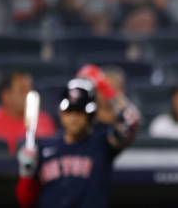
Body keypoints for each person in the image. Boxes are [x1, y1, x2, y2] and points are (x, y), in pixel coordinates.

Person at [15, 69, 141, 208]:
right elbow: (25, 201)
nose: (74, 118)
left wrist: (104, 87)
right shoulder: (43, 147)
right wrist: (26, 175)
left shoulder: (102, 142)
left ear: (90, 116)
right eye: (69, 112)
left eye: (80, 112)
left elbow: (131, 121)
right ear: (61, 114)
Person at [0, 70, 56, 154]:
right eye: (22, 91)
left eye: (30, 90)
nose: (28, 95)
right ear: (6, 95)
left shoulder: (44, 121)